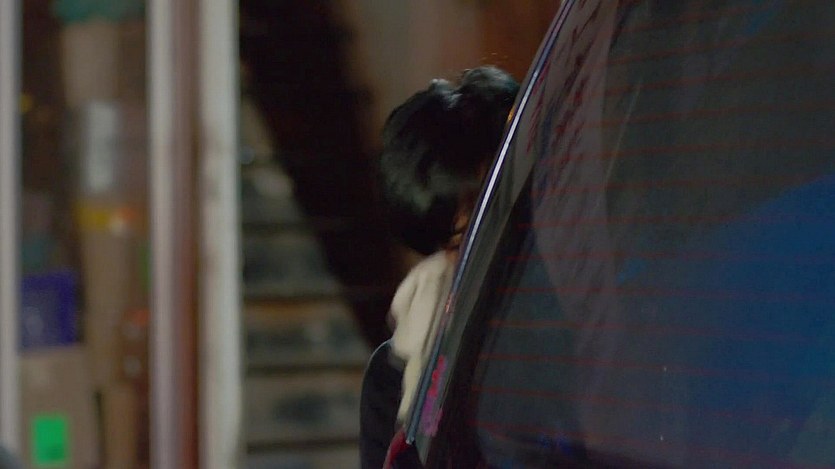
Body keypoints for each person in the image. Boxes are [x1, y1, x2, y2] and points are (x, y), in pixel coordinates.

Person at [360, 65, 519, 469]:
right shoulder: (394, 379)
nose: (469, 260)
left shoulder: (582, 321)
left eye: (490, 220)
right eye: (453, 244)